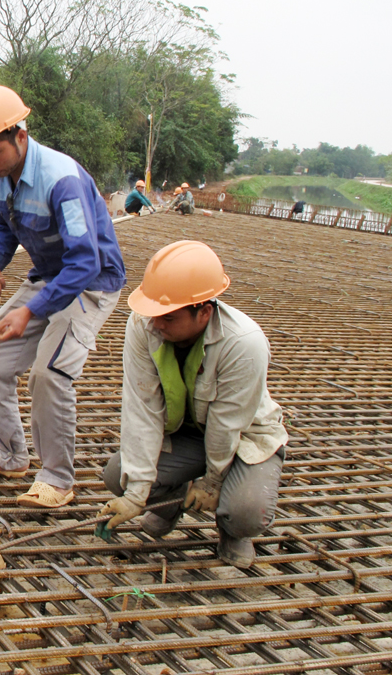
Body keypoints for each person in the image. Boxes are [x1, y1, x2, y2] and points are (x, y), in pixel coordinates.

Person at [0, 84, 126, 508]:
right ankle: (11, 457)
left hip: (91, 283)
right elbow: (6, 230)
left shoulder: (61, 180)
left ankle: (57, 479)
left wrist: (30, 310)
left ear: (21, 137)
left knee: (49, 372)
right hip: (50, 276)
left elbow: (85, 262)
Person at [96, 240, 288, 568]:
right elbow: (142, 408)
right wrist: (136, 495)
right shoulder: (144, 324)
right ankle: (167, 506)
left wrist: (211, 483)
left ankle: (233, 531)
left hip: (243, 439)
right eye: (154, 314)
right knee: (120, 474)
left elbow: (228, 426)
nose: (157, 323)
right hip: (187, 435)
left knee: (245, 511)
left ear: (205, 312)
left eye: (168, 318)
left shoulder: (244, 344)